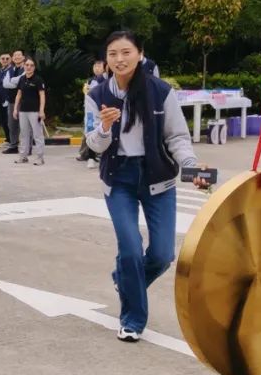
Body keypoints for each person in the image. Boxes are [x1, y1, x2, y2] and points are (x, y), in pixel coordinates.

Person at [85, 30, 206, 342]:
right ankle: (132, 320)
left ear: (140, 54)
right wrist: (105, 126)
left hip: (157, 177)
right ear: (106, 60)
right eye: (113, 54)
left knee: (163, 255)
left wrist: (190, 165)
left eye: (126, 52)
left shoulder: (160, 91)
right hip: (119, 179)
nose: (119, 59)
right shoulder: (97, 95)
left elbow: (177, 136)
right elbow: (94, 144)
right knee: (130, 249)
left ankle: (125, 279)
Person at [13, 57, 46, 166]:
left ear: (34, 67)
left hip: (35, 111)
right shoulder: (22, 79)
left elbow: (42, 95)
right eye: (27, 65)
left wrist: (41, 110)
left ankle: (40, 158)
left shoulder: (38, 80)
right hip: (23, 111)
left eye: (31, 65)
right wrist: (15, 109)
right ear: (24, 66)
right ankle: (23, 156)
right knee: (23, 135)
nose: (29, 67)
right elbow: (18, 94)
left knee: (37, 135)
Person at [78, 60, 108, 169]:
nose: (96, 68)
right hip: (91, 112)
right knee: (90, 131)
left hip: (104, 110)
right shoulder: (90, 80)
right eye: (95, 66)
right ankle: (90, 157)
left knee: (105, 133)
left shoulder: (108, 80)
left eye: (99, 66)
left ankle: (103, 156)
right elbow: (87, 94)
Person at [1, 50, 26, 154]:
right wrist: (15, 82)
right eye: (15, 55)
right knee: (12, 124)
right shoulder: (10, 70)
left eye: (19, 55)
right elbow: (5, 84)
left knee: (24, 125)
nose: (17, 57)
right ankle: (13, 146)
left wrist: (13, 81)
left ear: (23, 57)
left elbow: (21, 80)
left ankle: (26, 146)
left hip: (24, 100)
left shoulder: (27, 68)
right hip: (11, 100)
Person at [0, 53, 13, 145]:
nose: (5, 60)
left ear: (11, 60)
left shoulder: (12, 70)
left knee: (9, 121)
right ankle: (8, 139)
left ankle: (12, 140)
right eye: (3, 58)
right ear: (0, 60)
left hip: (9, 98)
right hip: (0, 98)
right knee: (3, 120)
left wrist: (7, 98)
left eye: (7, 58)